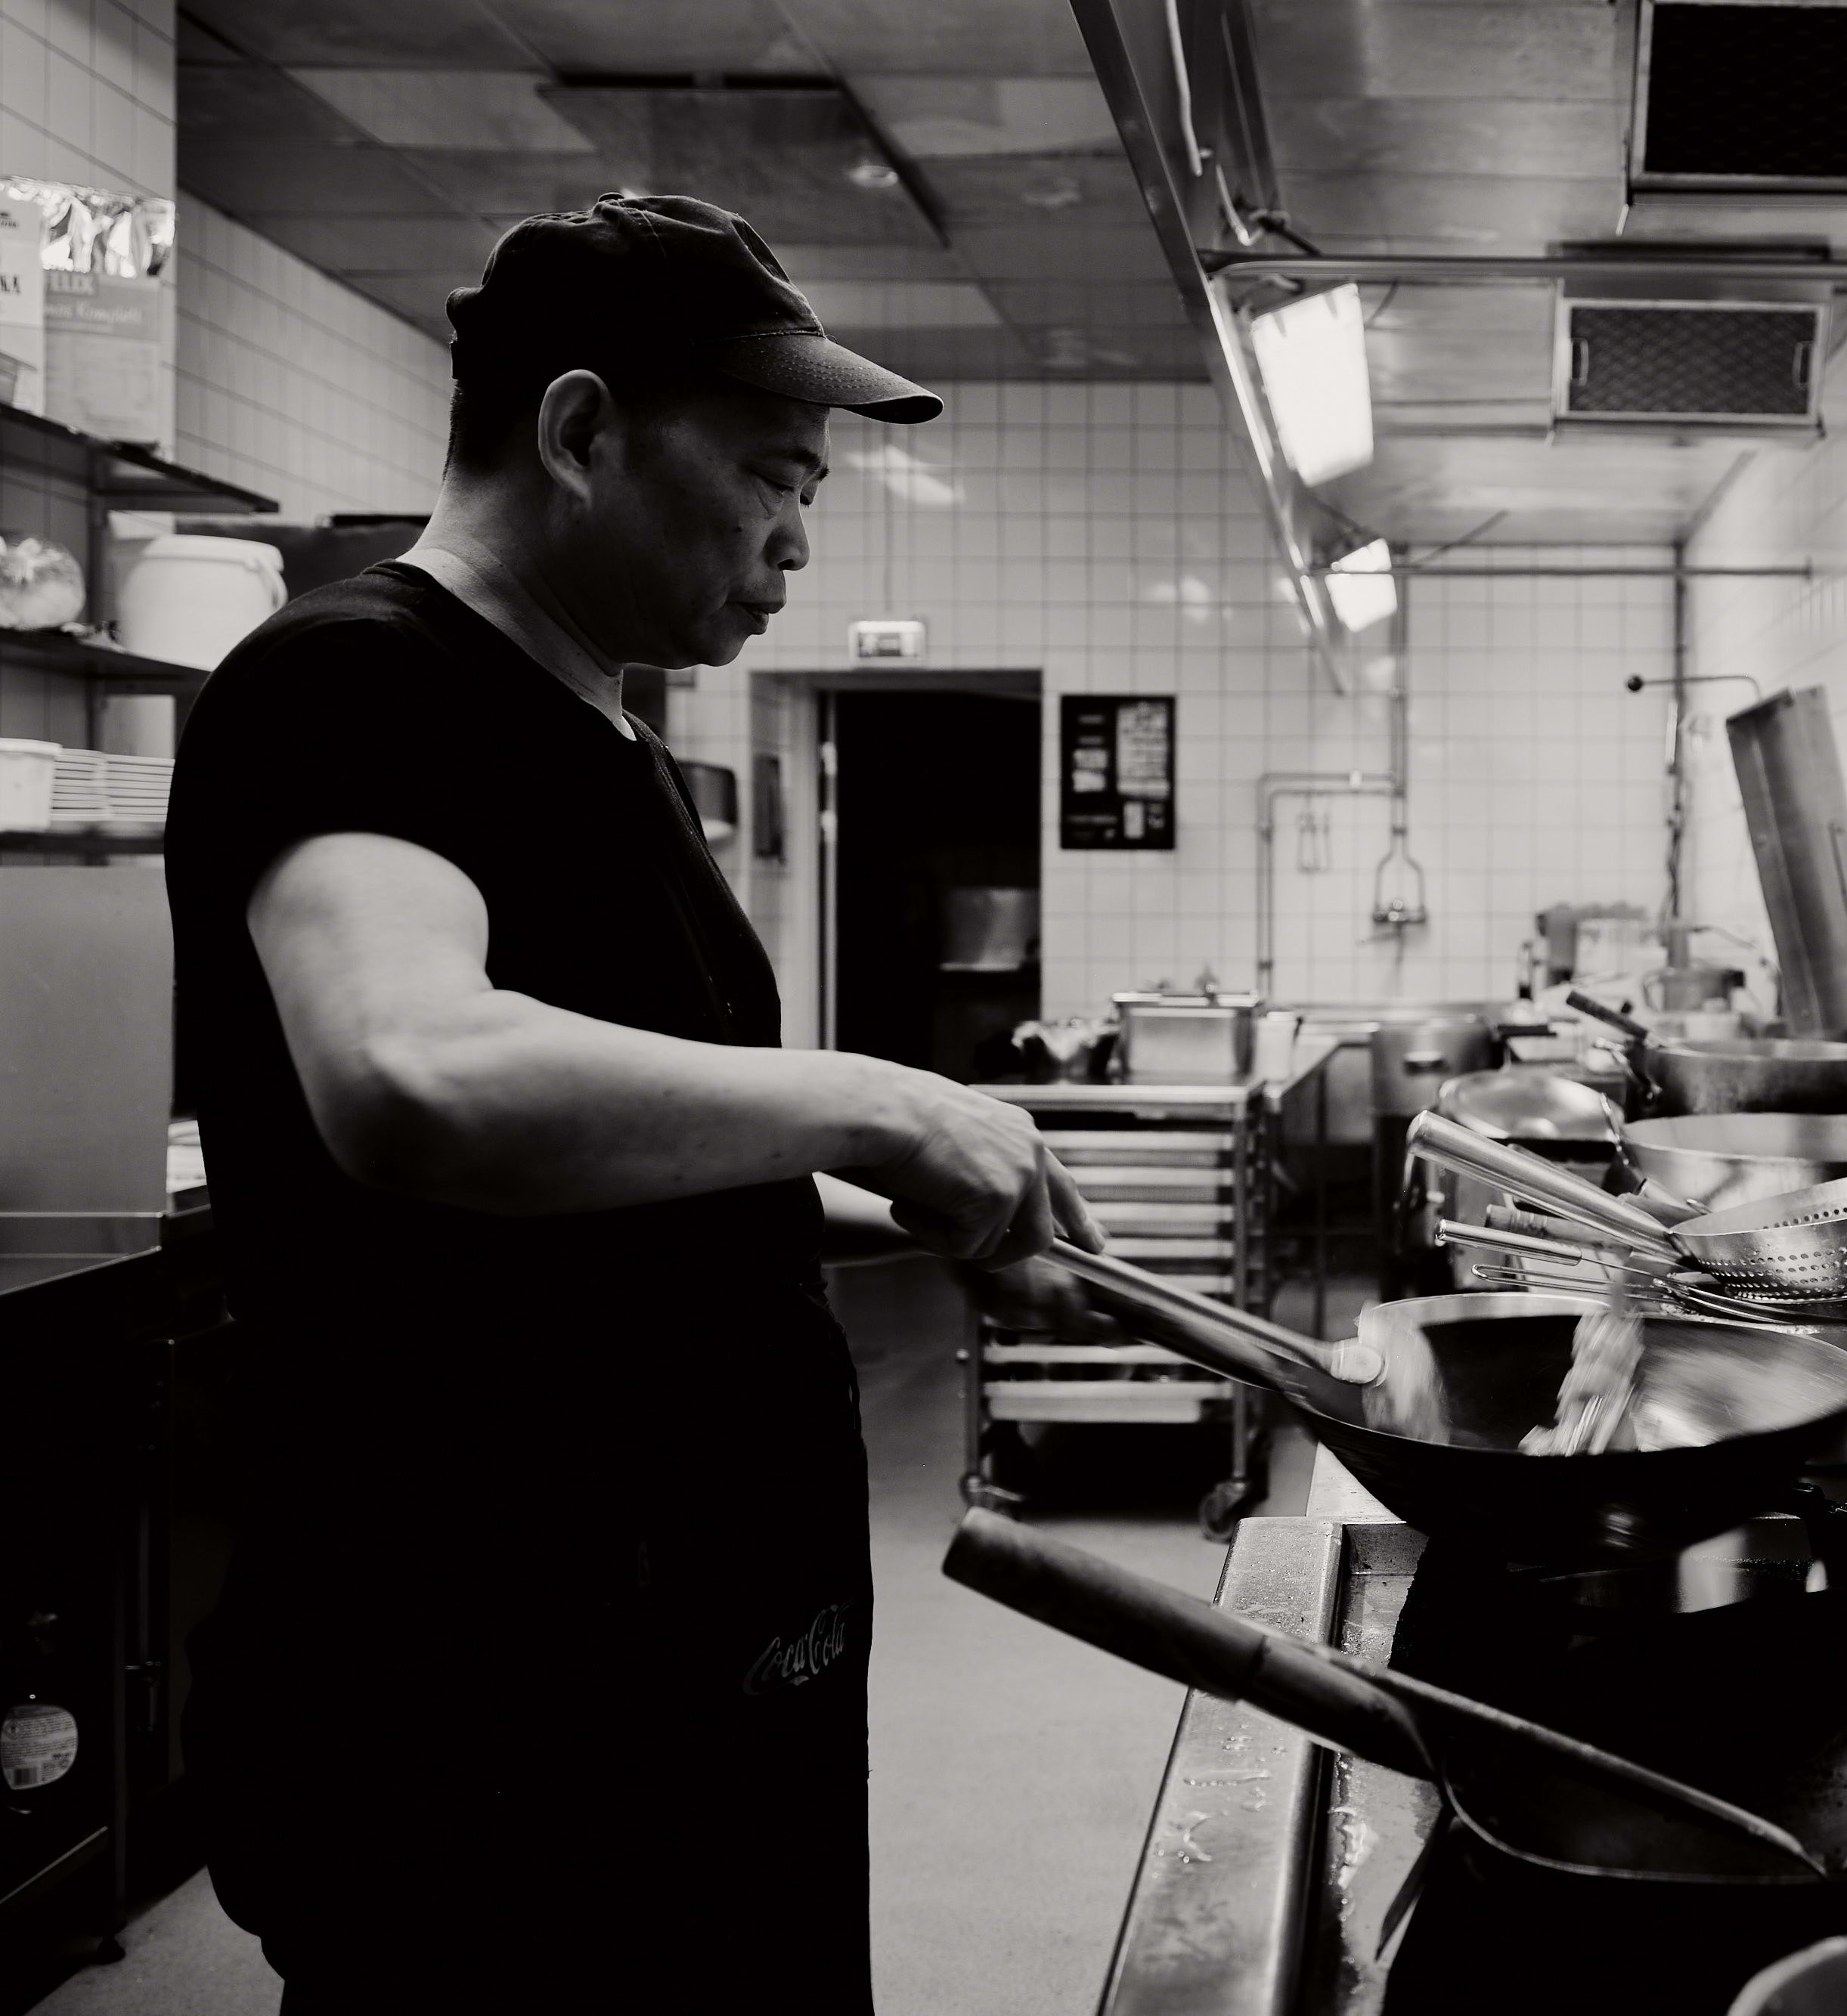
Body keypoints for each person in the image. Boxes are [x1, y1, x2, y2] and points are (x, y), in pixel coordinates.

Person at [164, 194, 1103, 2014]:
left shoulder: (603, 732)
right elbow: (416, 1079)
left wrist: (930, 1217)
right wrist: (880, 1105)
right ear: (581, 429)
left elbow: (630, 1163)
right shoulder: (358, 679)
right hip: (489, 1694)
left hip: (689, 1635)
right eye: (769, 475)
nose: (797, 537)